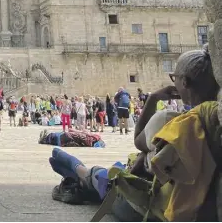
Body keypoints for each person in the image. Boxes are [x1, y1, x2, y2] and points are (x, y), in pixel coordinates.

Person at [49, 45, 221, 221]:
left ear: (184, 82)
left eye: (174, 77)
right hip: (202, 207)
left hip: (154, 207)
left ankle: (80, 171)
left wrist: (153, 99)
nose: (173, 81)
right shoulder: (214, 118)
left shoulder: (171, 120)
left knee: (99, 176)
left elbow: (138, 140)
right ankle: (78, 172)